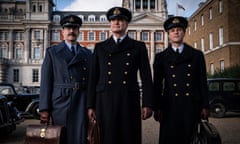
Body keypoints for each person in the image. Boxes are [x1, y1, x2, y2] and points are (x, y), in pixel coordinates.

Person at [87, 7, 154, 144]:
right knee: (106, 137)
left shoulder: (138, 47)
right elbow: (93, 77)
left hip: (128, 99)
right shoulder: (100, 47)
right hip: (104, 100)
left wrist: (147, 103)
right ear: (110, 23)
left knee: (128, 137)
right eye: (113, 20)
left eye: (120, 20)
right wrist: (90, 105)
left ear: (127, 23)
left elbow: (146, 78)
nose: (116, 23)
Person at [153, 16, 209, 144]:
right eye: (172, 30)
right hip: (169, 106)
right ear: (168, 34)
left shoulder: (196, 55)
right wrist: (157, 108)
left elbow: (202, 82)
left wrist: (205, 105)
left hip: (191, 105)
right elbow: (157, 84)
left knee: (191, 139)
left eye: (179, 29)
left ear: (184, 32)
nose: (176, 32)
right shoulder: (161, 57)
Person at [39, 14, 92, 144]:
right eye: (68, 28)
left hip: (81, 100)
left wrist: (92, 105)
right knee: (60, 136)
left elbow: (92, 81)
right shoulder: (52, 52)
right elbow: (46, 81)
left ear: (79, 31)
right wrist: (44, 108)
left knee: (80, 137)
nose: (71, 31)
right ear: (63, 31)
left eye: (74, 28)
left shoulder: (87, 53)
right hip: (60, 102)